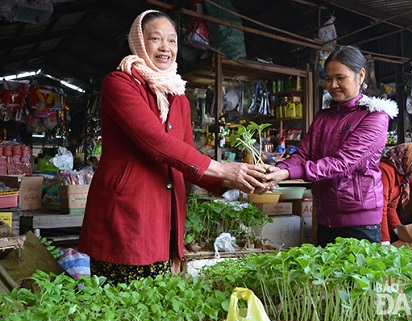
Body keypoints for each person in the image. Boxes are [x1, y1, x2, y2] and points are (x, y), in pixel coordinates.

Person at [78, 10, 270, 285]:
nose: (165, 47)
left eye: (172, 40)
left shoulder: (178, 97)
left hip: (166, 218)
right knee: (120, 305)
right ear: (138, 42)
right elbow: (155, 142)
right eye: (156, 39)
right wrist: (226, 168)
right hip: (127, 213)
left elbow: (188, 159)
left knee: (159, 301)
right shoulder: (119, 84)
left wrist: (238, 182)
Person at [266, 45, 398, 246]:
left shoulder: (375, 117)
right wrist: (277, 169)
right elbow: (304, 153)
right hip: (325, 217)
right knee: (328, 277)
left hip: (360, 221)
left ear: (360, 75)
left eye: (340, 77)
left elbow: (342, 163)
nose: (333, 85)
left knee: (354, 278)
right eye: (328, 78)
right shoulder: (323, 116)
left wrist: (286, 174)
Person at [380, 143, 412, 245]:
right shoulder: (385, 170)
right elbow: (381, 209)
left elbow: (391, 208)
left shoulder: (402, 176)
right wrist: (385, 241)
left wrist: (403, 235)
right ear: (410, 161)